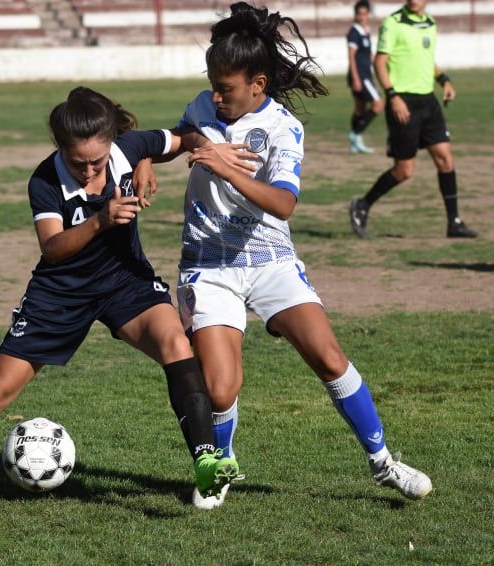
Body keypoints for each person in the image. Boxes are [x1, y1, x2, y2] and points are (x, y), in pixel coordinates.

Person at [0, 87, 239, 513]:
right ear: (59, 147)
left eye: (98, 160)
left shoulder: (128, 148)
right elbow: (52, 247)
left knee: (176, 345)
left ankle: (205, 459)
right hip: (59, 294)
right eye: (79, 162)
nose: (89, 170)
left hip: (123, 281)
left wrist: (157, 158)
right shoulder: (44, 180)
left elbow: (186, 136)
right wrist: (100, 221)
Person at [172, 2, 432, 509]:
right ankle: (219, 470)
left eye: (225, 88)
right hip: (208, 265)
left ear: (259, 85)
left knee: (330, 358)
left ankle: (383, 464)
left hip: (270, 261)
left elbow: (284, 204)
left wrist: (226, 168)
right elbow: (182, 136)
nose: (216, 95)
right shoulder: (204, 106)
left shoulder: (283, 128)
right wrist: (149, 160)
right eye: (212, 84)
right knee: (221, 390)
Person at [348, 0, 477, 239]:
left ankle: (454, 222)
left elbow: (427, 60)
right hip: (402, 102)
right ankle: (363, 205)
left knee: (446, 159)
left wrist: (444, 80)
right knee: (404, 170)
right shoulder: (393, 23)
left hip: (428, 101)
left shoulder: (430, 23)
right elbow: (380, 62)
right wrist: (392, 95)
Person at [347, 0, 384, 154]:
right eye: (359, 14)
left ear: (368, 14)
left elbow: (368, 55)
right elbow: (351, 56)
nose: (362, 17)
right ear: (355, 15)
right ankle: (355, 134)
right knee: (378, 105)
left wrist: (381, 63)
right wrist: (356, 78)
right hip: (361, 77)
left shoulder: (364, 31)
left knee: (359, 110)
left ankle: (356, 143)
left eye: (365, 13)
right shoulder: (354, 32)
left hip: (365, 75)